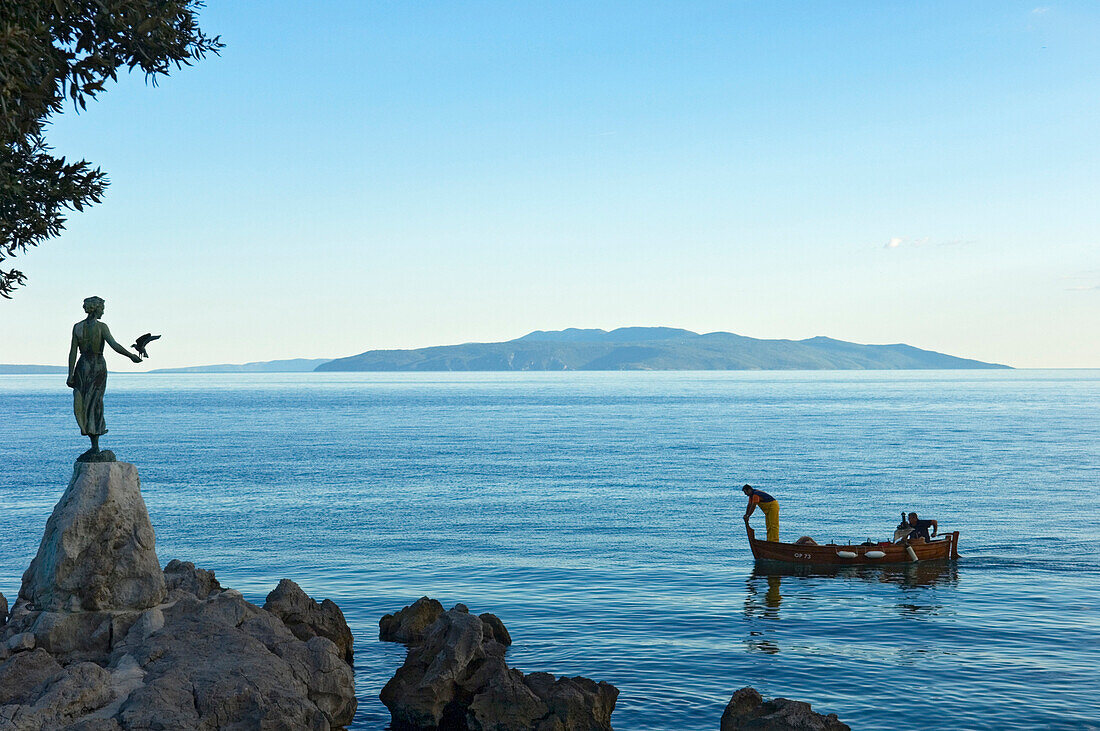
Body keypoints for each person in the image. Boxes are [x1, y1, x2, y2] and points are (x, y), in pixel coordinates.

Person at [67, 296, 143, 458]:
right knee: (94, 403)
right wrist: (131, 356)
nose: (103, 311)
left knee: (84, 402)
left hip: (82, 366)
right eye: (102, 308)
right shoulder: (101, 327)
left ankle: (92, 441)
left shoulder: (77, 327)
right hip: (96, 366)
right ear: (96, 308)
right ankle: (95, 444)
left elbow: (73, 352)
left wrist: (71, 373)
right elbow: (114, 345)